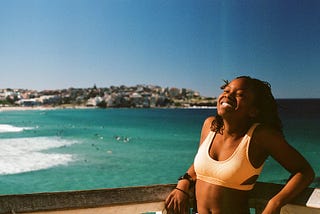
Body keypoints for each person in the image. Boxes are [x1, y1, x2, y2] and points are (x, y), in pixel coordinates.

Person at [165, 76, 315, 214]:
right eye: (226, 90)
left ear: (253, 111)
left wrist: (274, 204)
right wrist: (183, 183)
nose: (228, 95)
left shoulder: (260, 136)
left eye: (240, 94)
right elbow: (200, 165)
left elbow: (304, 172)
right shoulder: (210, 125)